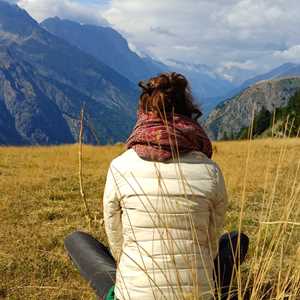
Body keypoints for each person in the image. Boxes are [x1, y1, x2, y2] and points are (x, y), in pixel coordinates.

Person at [64, 72, 249, 300]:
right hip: (196, 293)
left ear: (143, 114)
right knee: (235, 240)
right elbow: (210, 245)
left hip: (135, 294)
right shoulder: (210, 170)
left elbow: (117, 243)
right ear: (188, 114)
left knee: (76, 240)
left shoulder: (120, 167)